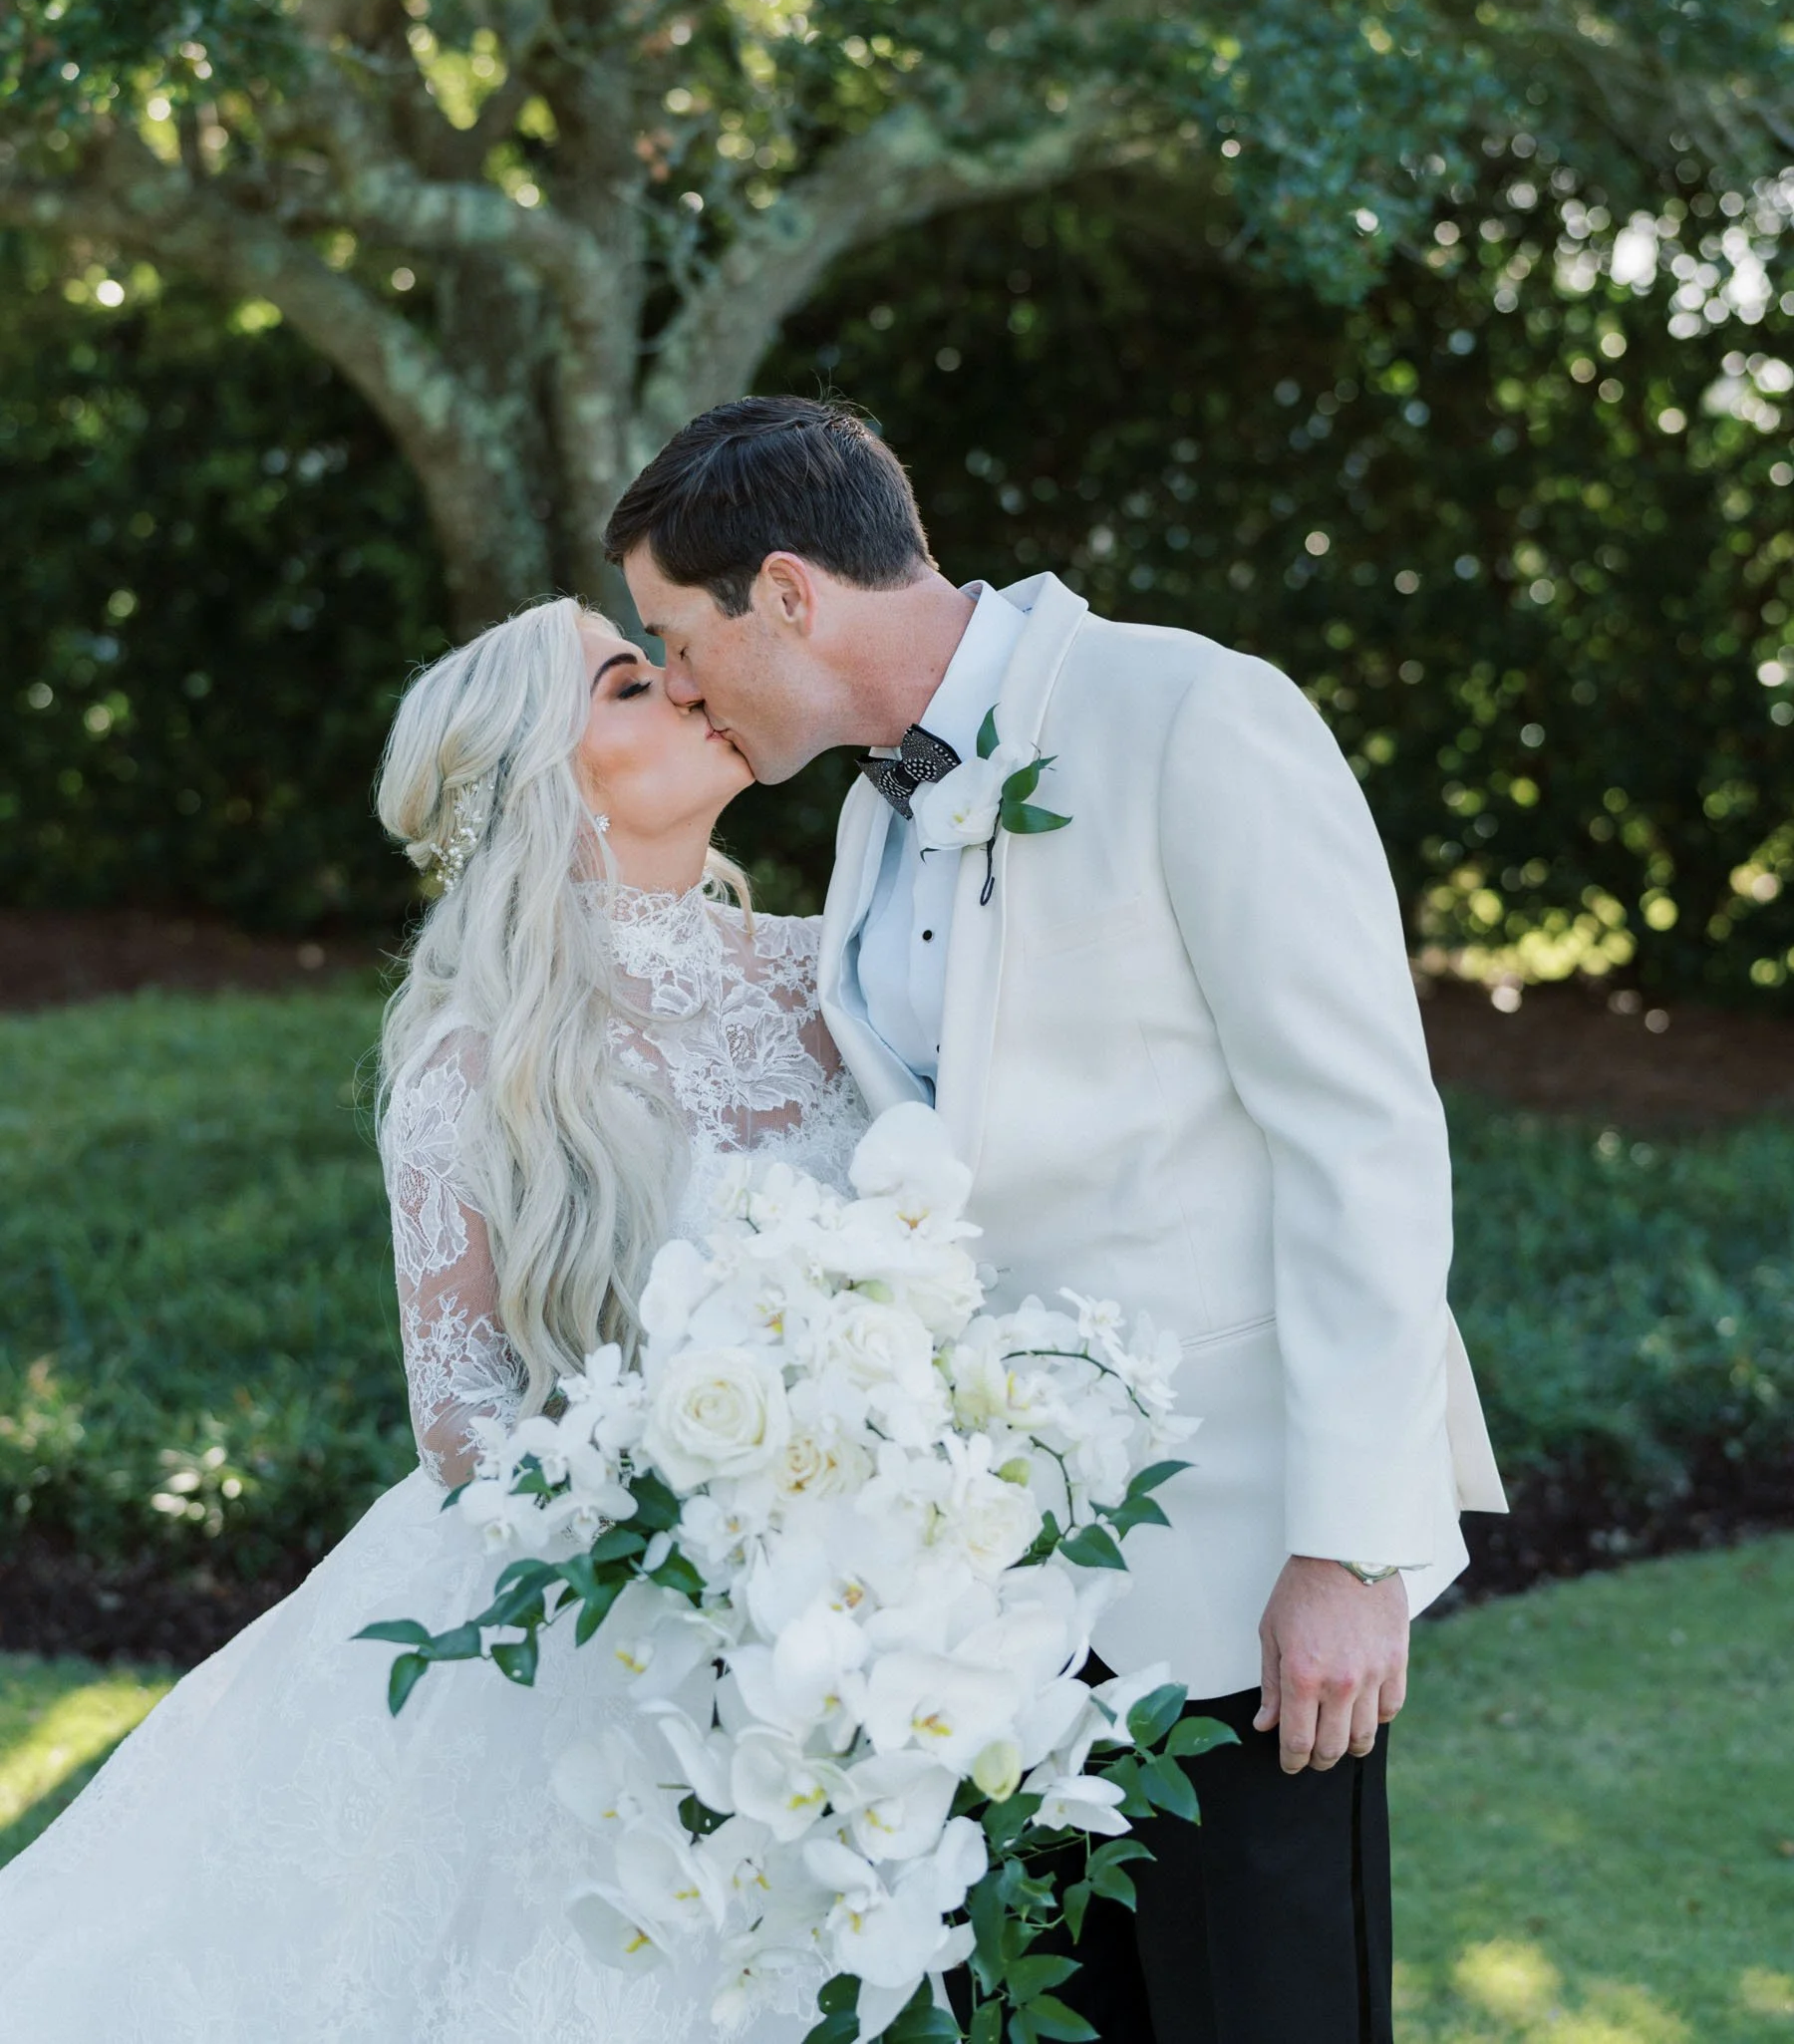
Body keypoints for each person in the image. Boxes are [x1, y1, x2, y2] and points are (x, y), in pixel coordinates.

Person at [607, 395, 1509, 2044]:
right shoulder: (880, 812)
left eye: (676, 635)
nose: (675, 680)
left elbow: (1365, 1141)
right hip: (1005, 1622)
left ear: (790, 596)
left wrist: (1347, 1545)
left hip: (1247, 1591)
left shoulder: (1193, 713)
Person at [0, 598, 856, 2043]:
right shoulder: (481, 1068)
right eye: (634, 682)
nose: (693, 685)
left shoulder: (848, 970)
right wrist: (674, 1504)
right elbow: (463, 1416)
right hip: (607, 1618)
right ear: (545, 775)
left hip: (849, 1601)